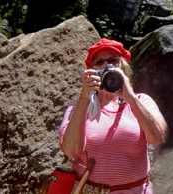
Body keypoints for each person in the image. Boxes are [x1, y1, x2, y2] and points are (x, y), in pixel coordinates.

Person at [59, 38, 167, 194]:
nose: (106, 66)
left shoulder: (141, 100)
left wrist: (129, 96)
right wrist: (84, 98)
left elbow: (156, 138)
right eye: (99, 62)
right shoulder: (79, 106)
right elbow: (71, 151)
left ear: (122, 65)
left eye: (112, 61)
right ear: (91, 71)